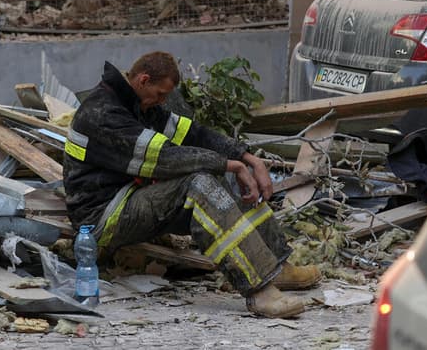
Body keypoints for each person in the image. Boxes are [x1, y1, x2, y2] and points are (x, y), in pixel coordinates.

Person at [63, 51, 321, 318]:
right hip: (102, 218)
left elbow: (194, 135)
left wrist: (248, 158)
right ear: (143, 79)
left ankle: (276, 264)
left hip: (131, 198)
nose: (163, 101)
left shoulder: (140, 105)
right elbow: (165, 159)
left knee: (218, 174)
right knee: (199, 183)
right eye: (161, 94)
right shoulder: (102, 113)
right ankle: (260, 292)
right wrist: (228, 164)